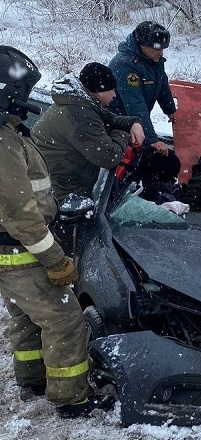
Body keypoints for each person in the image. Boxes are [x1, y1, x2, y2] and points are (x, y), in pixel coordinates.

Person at [0, 46, 115, 418]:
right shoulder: (2, 143)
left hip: (11, 251)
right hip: (20, 250)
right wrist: (56, 259)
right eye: (22, 88)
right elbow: (21, 215)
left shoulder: (9, 131)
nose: (25, 95)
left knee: (25, 315)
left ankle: (33, 376)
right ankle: (71, 398)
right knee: (65, 320)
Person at [31, 62, 144, 201]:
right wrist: (122, 134)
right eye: (112, 89)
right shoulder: (80, 115)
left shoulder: (79, 103)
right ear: (99, 91)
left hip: (55, 181)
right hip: (58, 194)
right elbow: (109, 157)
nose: (115, 94)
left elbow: (110, 120)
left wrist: (134, 122)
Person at [108, 20, 175, 155]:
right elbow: (135, 105)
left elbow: (161, 83)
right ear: (142, 45)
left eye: (162, 48)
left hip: (136, 121)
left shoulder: (153, 60)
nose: (161, 53)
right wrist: (152, 140)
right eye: (157, 49)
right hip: (119, 122)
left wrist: (170, 109)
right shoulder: (125, 65)